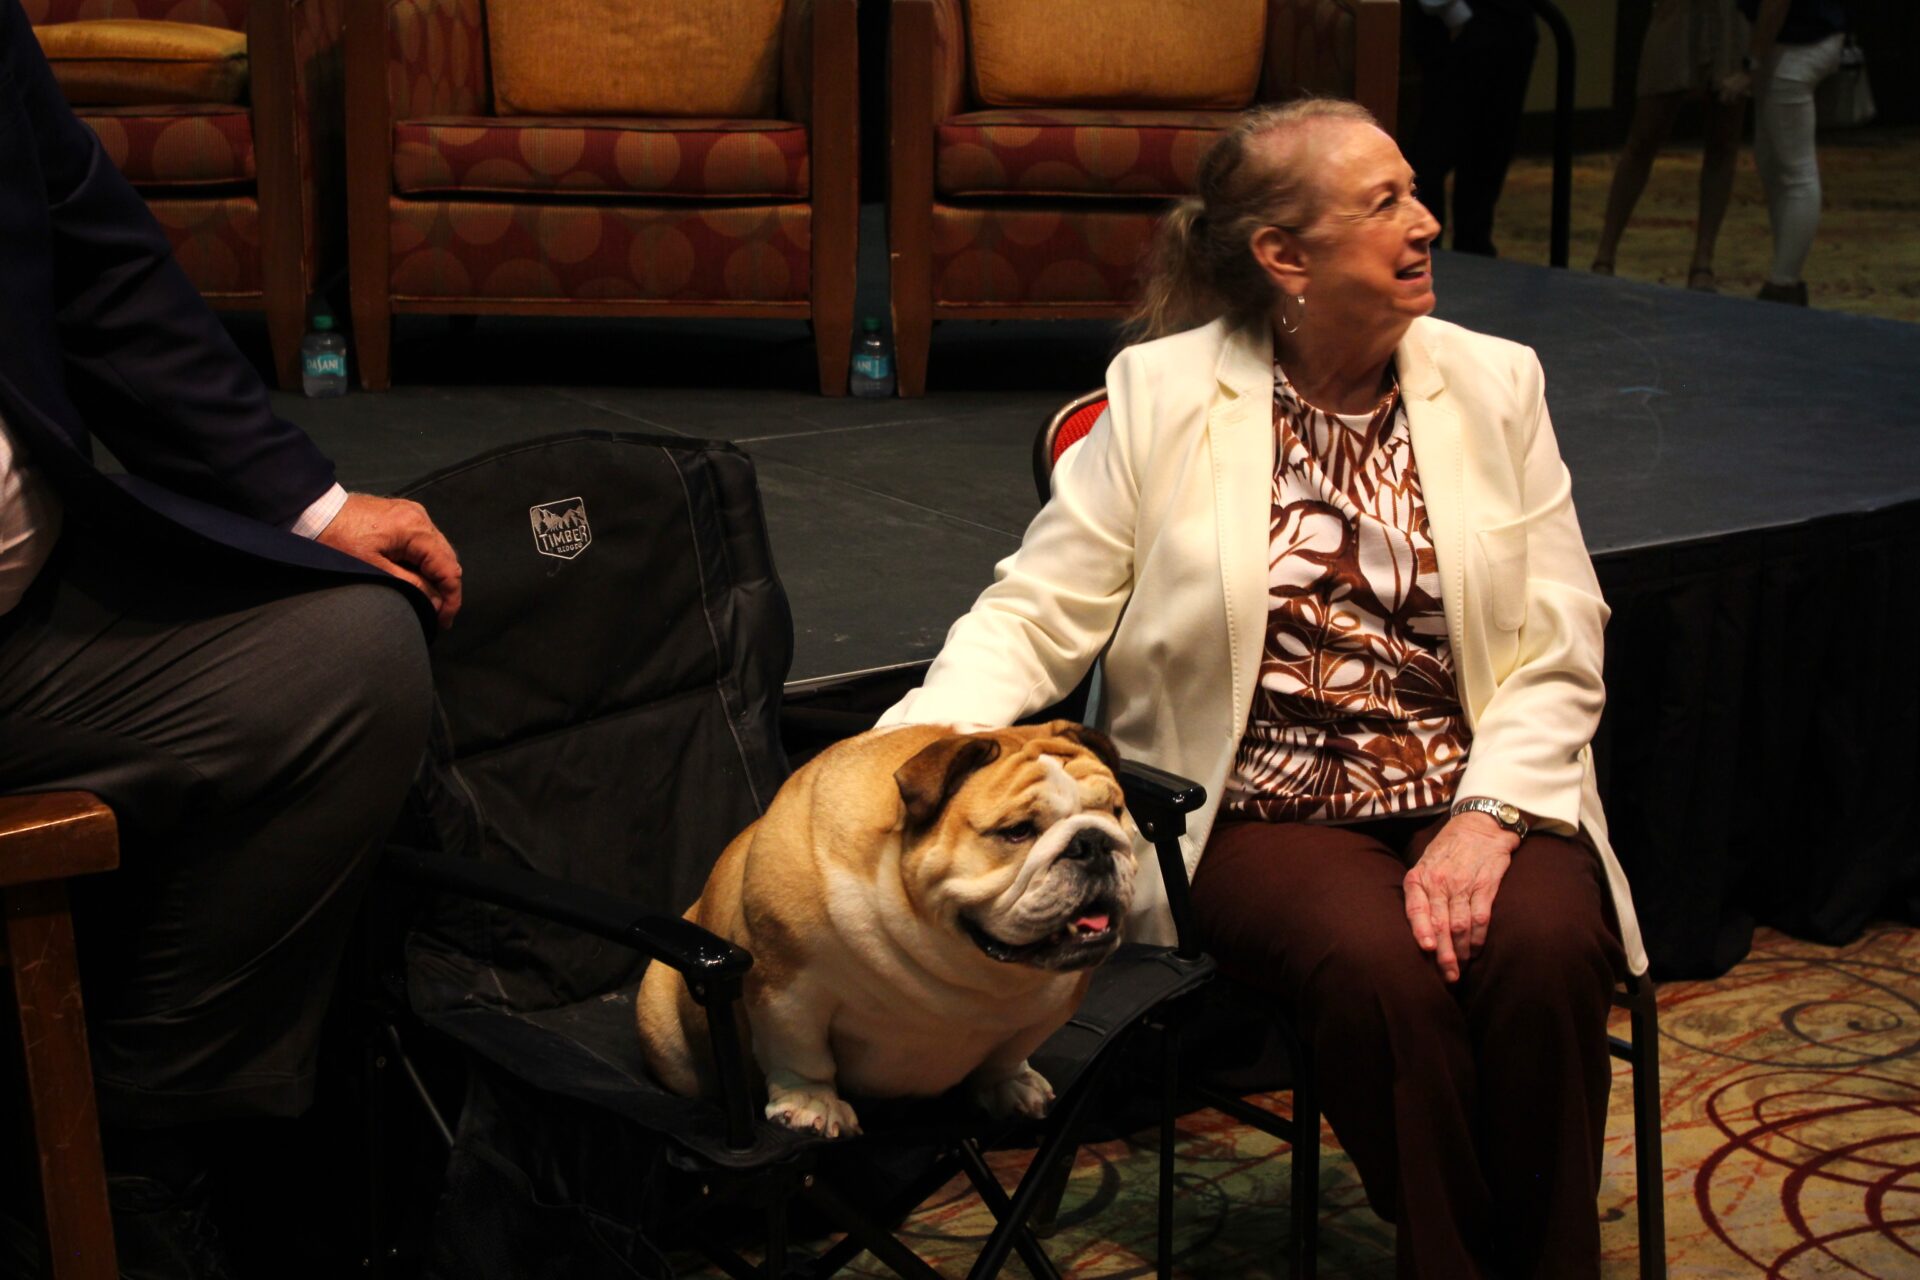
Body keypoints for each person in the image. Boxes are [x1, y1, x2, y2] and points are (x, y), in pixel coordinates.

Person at [881, 97, 1646, 1278]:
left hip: (1475, 778)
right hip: (1260, 800)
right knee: (1381, 969)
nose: (1427, 220)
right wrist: (906, 753)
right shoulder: (1161, 394)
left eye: (1414, 188)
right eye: (1384, 201)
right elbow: (1039, 610)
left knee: (1545, 946)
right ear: (1284, 255)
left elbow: (1563, 628)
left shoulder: (1497, 383)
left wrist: (1489, 819)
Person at [0, 2, 462, 1272]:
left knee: (351, 662)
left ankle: (142, 1138)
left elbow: (89, 247)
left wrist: (307, 502)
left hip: (29, 620)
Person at [1591, 0, 1750, 291]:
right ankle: (1605, 253)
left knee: (1723, 142)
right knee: (1644, 137)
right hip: (1676, 14)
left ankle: (1703, 260)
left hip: (1732, 16)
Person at [1721, 0, 1851, 304]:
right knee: (1771, 163)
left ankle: (1783, 285)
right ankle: (1786, 276)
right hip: (1788, 43)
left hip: (1800, 45)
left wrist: (1750, 65)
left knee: (1795, 172)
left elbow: (1776, 4)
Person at [1406, 0, 1538, 257]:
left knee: (1489, 155)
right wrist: (1454, 13)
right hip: (1463, 22)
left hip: (1507, 24)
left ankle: (1472, 258)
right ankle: (1425, 256)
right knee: (1431, 154)